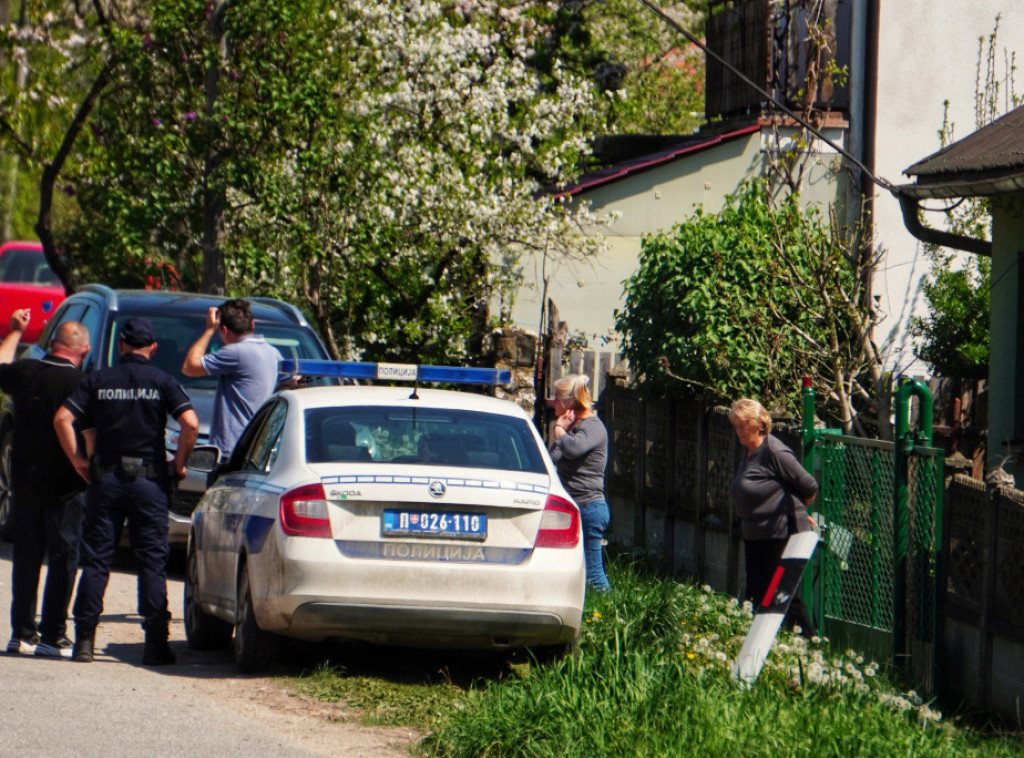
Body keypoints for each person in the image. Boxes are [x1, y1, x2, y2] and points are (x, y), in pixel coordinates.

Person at [54, 317, 198, 665]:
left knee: (97, 560)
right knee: (151, 561)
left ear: (120, 346)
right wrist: (179, 464)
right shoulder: (162, 381)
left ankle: (85, 641)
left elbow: (62, 418)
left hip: (106, 482)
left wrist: (78, 459)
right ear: (153, 347)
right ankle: (155, 645)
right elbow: (190, 423)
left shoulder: (99, 379)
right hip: (149, 483)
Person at [0, 309, 90, 658]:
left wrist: (15, 332)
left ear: (52, 345)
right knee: (64, 556)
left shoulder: (26, 371)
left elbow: (2, 363)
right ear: (83, 350)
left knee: (26, 557)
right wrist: (88, 465)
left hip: (25, 482)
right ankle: (53, 634)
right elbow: (88, 431)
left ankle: (21, 633)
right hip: (67, 484)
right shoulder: (82, 382)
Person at [728, 398, 818, 637]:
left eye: (743, 425)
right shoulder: (748, 451)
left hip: (780, 535)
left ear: (759, 424)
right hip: (756, 536)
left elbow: (808, 485)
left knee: (782, 594)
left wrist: (798, 509)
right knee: (757, 593)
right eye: (736, 425)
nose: (738, 430)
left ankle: (810, 641)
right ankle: (766, 643)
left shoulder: (773, 450)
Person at [181, 298, 285, 457]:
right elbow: (291, 381)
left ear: (224, 330)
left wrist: (209, 330)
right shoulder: (274, 353)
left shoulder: (235, 352)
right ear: (252, 325)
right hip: (259, 447)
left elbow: (189, 367)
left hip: (232, 450)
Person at [548, 374, 611, 592]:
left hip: (589, 508)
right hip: (571, 508)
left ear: (569, 401)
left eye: (557, 397)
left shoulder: (592, 427)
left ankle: (610, 616)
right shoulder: (571, 429)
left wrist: (559, 431)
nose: (553, 402)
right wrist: (561, 432)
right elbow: (552, 457)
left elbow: (573, 449)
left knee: (593, 576)